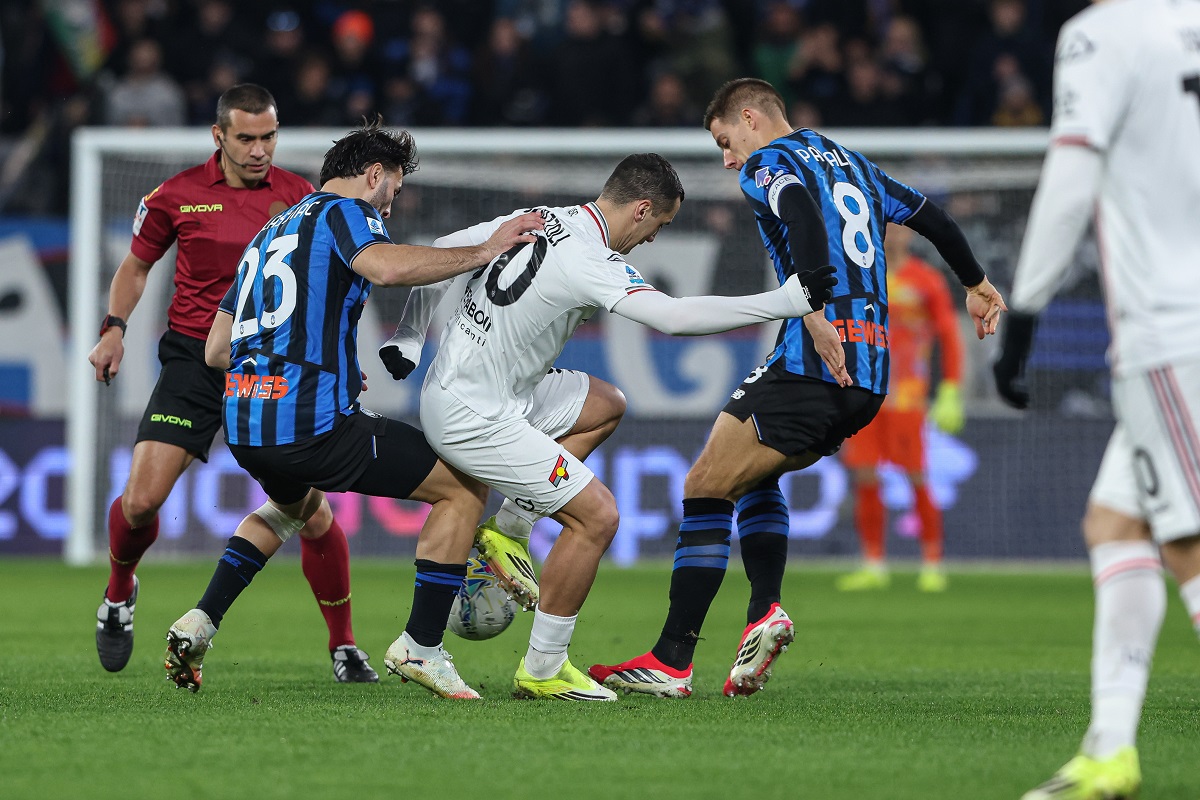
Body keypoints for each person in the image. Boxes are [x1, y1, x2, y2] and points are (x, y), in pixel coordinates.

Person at [590, 77, 1006, 699]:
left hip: (817, 363)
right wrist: (975, 282)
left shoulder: (769, 165)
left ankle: (672, 659)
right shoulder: (852, 163)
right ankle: (762, 615)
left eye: (726, 141)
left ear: (751, 119)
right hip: (870, 375)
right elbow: (934, 219)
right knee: (753, 477)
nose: (729, 159)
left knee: (704, 484)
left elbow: (801, 215)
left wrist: (810, 298)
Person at [380, 152, 838, 700]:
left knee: (604, 402)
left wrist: (407, 341)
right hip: (474, 414)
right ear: (641, 209)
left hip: (485, 390)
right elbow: (674, 318)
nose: (650, 242)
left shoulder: (539, 215)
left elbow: (440, 253)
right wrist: (786, 300)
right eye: (658, 227)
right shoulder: (592, 260)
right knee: (597, 516)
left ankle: (508, 532)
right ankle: (544, 667)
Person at [162, 121, 544, 696]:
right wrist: (488, 250)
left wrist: (311, 364)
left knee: (292, 508)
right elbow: (386, 267)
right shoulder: (345, 213)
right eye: (392, 189)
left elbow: (218, 348)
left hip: (243, 420)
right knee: (462, 486)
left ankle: (201, 620)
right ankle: (422, 645)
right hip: (306, 421)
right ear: (372, 176)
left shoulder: (271, 230)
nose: (390, 205)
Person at [88, 84, 377, 682]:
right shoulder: (176, 195)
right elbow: (136, 267)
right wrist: (114, 328)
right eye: (246, 138)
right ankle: (119, 593)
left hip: (270, 365)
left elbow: (330, 289)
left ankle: (344, 646)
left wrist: (340, 364)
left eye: (268, 136)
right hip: (195, 361)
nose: (259, 149)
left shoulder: (302, 197)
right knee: (141, 501)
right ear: (219, 136)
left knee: (311, 515)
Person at [993, 2, 1200, 797]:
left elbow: (1071, 179)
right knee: (1116, 521)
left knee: (1186, 540)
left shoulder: (1101, 34)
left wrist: (1026, 316)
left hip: (1170, 333)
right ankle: (1110, 749)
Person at [837, 222, 965, 593]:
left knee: (916, 476)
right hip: (865, 392)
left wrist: (951, 388)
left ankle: (932, 562)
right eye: (885, 229)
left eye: (898, 229)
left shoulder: (926, 280)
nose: (892, 236)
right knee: (864, 474)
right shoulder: (860, 277)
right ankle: (873, 563)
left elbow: (948, 336)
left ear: (910, 235)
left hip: (907, 396)